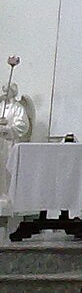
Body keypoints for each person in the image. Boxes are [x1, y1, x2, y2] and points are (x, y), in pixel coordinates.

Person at [0, 78, 33, 207]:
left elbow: (23, 125)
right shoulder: (1, 106)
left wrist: (8, 128)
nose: (4, 92)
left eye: (7, 90)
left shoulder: (18, 108)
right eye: (3, 90)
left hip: (9, 143)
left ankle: (7, 194)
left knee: (7, 168)